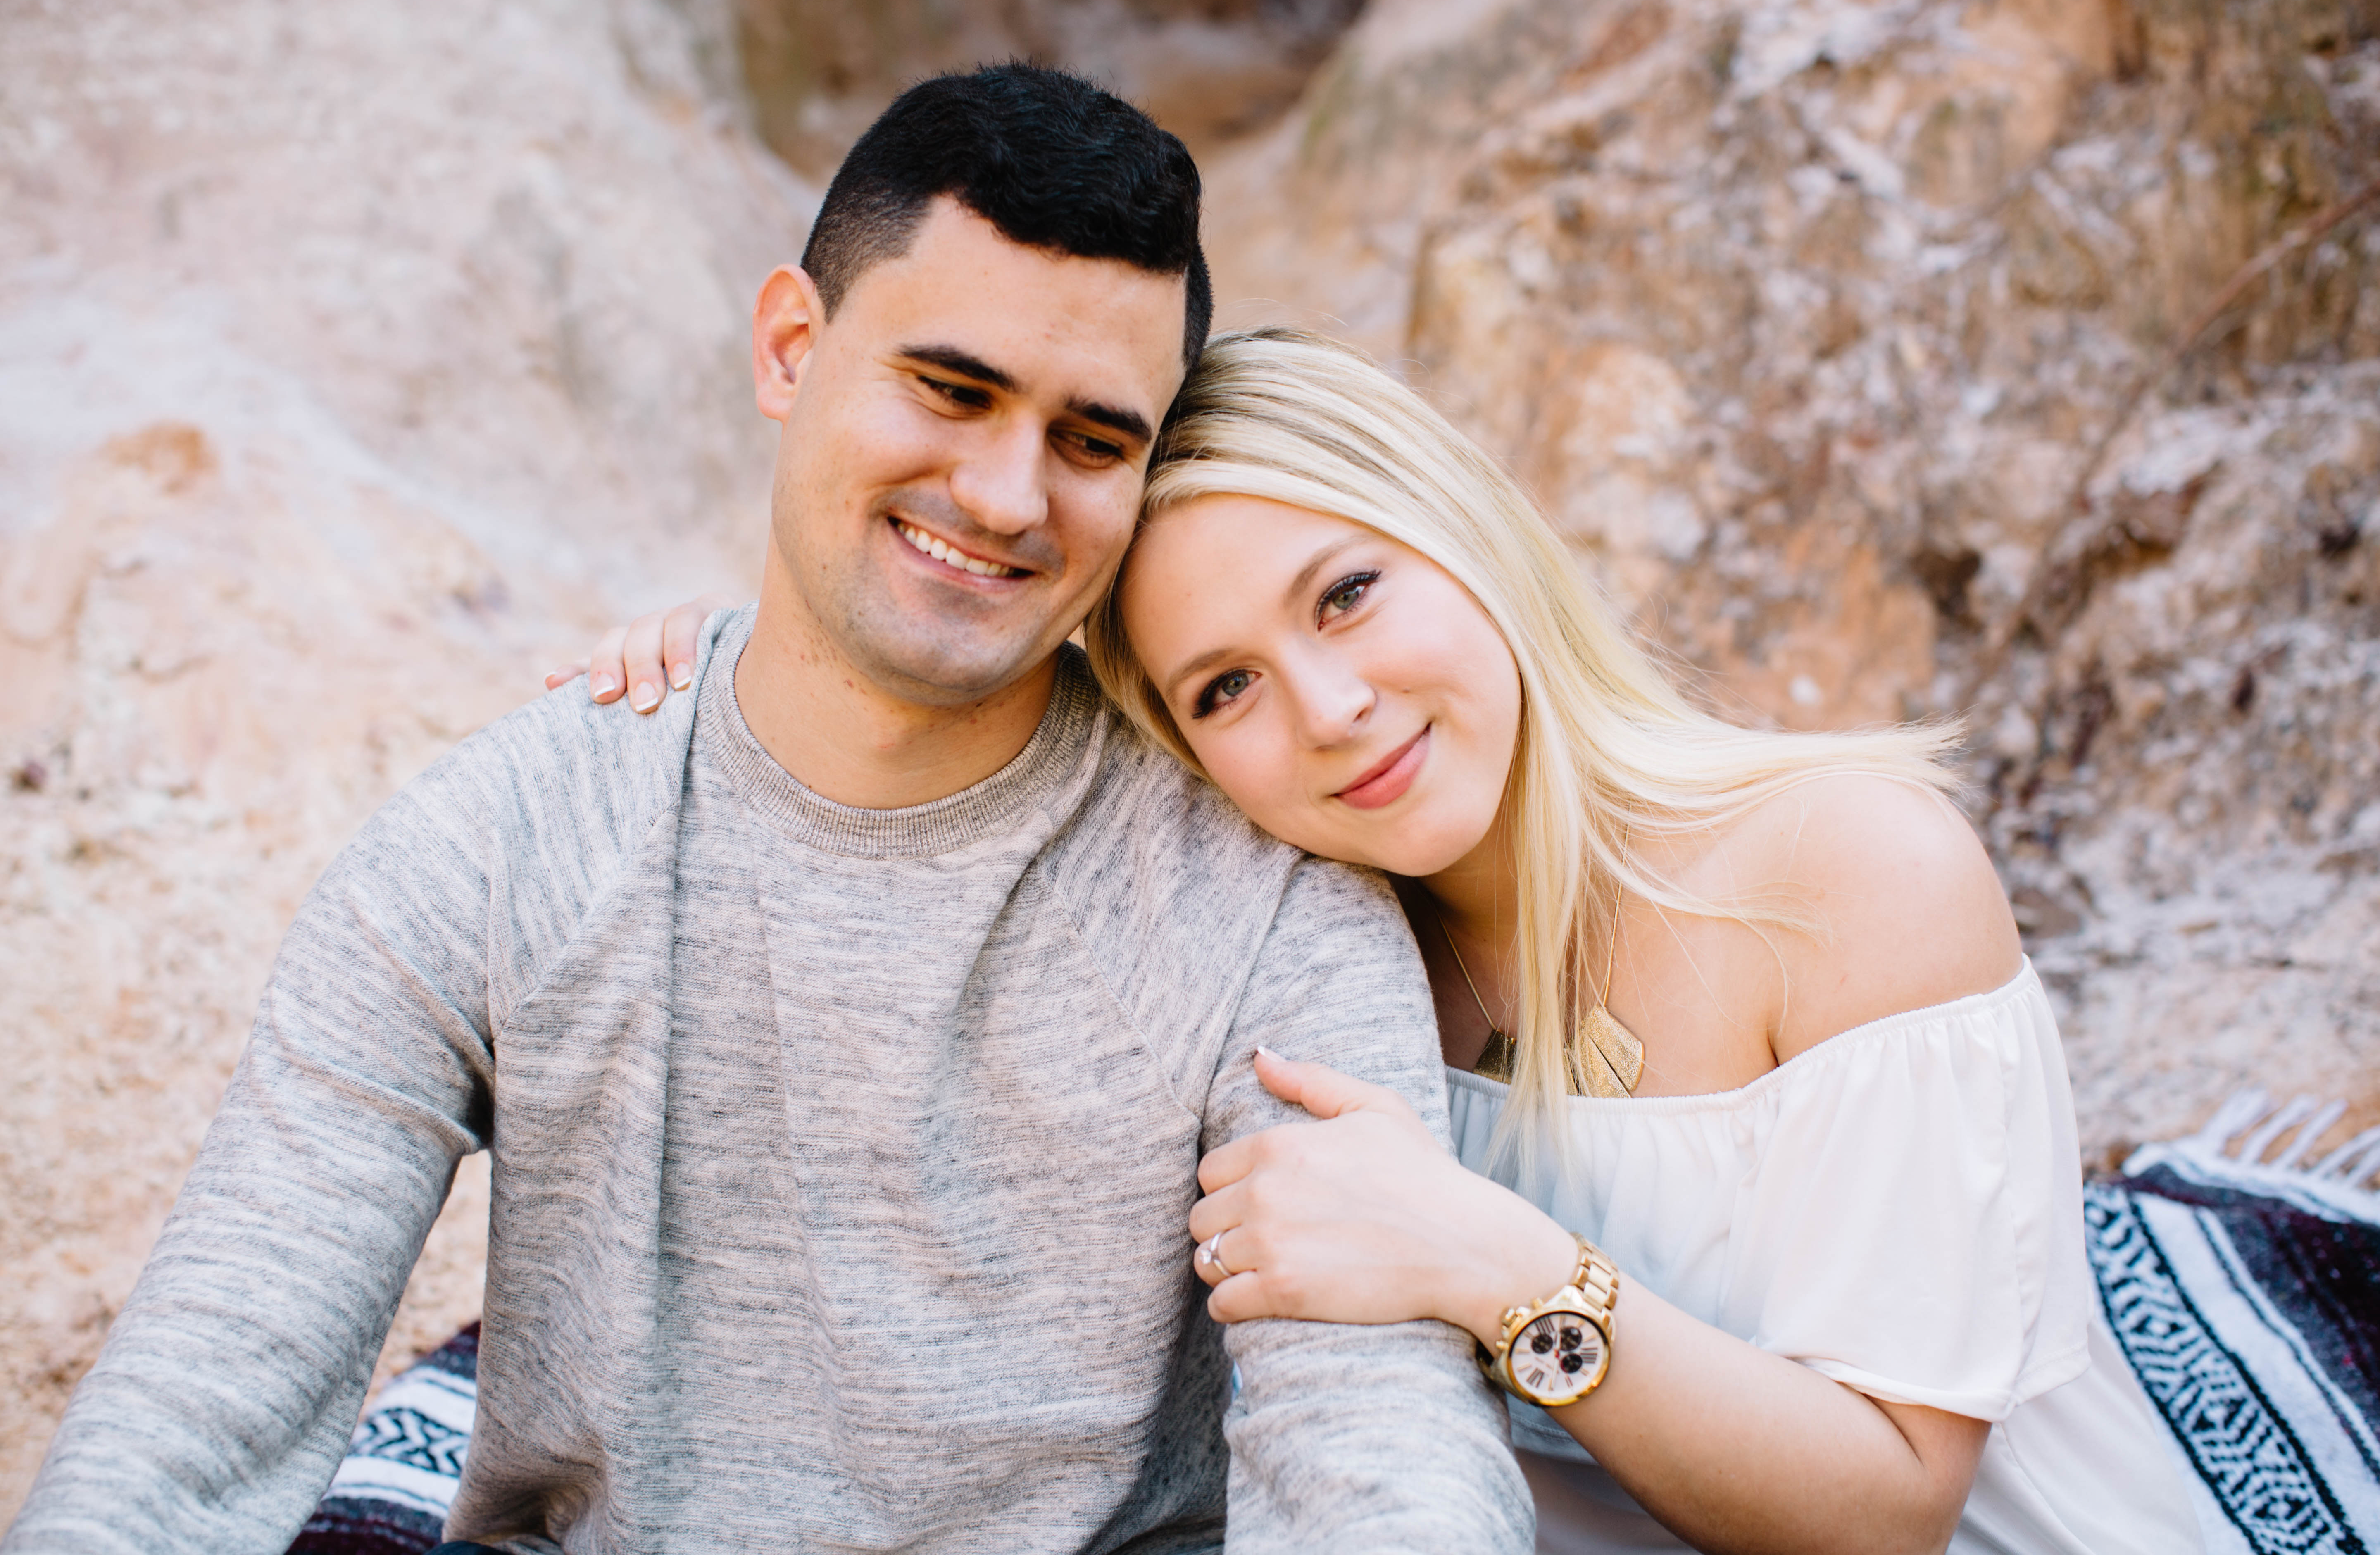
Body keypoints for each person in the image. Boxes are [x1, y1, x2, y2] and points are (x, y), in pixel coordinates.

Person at [1, 76, 1533, 1555]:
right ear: (792, 349)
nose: (1008, 494)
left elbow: (1378, 1450)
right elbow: (209, 1386)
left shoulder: (1265, 904)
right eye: (952, 389)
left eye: (1091, 439)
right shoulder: (508, 837)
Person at [586, 328, 2204, 1554]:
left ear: (1463, 532)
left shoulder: (1841, 877)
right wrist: (760, 680)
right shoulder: (1298, 937)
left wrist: (1492, 1266)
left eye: (1346, 594)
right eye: (1224, 687)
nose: (1331, 709)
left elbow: (1894, 1508)